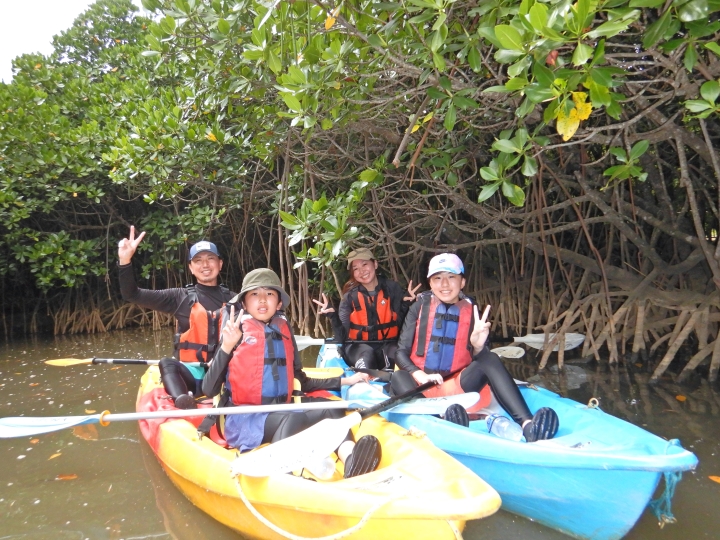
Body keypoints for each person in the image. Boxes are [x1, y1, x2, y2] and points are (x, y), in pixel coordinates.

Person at [203, 268, 381, 478]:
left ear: (278, 303)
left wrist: (346, 380)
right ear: (244, 303)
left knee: (331, 410)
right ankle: (286, 476)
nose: (262, 300)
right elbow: (208, 388)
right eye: (254, 294)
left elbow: (301, 381)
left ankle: (351, 460)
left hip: (282, 408)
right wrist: (226, 346)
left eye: (269, 294)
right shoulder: (235, 332)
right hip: (245, 419)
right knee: (292, 419)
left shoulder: (283, 331)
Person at [392, 253, 559, 442]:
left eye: (451, 277)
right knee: (398, 376)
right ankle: (440, 421)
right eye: (437, 278)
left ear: (462, 282)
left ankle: (528, 426)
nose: (444, 284)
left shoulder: (472, 311)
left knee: (489, 358)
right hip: (420, 387)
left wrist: (479, 347)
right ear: (430, 283)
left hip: (457, 387)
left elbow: (482, 362)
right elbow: (400, 353)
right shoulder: (418, 307)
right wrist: (419, 375)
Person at [118, 225, 235, 409]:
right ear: (190, 267)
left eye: (210, 259)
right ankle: (182, 400)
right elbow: (132, 295)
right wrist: (125, 261)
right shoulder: (179, 297)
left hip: (225, 374)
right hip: (193, 375)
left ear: (220, 264)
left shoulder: (235, 300)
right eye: (198, 260)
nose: (205, 265)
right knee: (167, 363)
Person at [314, 248, 420, 371]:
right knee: (366, 357)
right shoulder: (349, 297)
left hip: (388, 343)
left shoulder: (392, 289)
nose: (361, 271)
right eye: (356, 269)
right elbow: (341, 337)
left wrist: (406, 305)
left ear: (375, 264)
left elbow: (400, 325)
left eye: (365, 264)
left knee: (394, 356)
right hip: (357, 346)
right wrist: (333, 316)